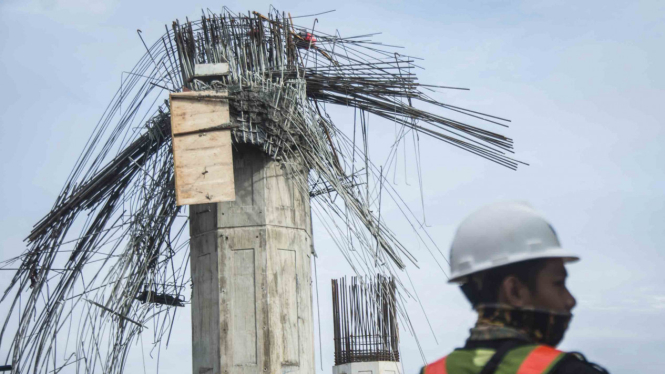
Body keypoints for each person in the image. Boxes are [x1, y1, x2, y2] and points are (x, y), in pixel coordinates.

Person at [420, 202, 609, 374]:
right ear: (514, 291)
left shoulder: (435, 371)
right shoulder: (567, 371)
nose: (570, 300)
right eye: (558, 283)